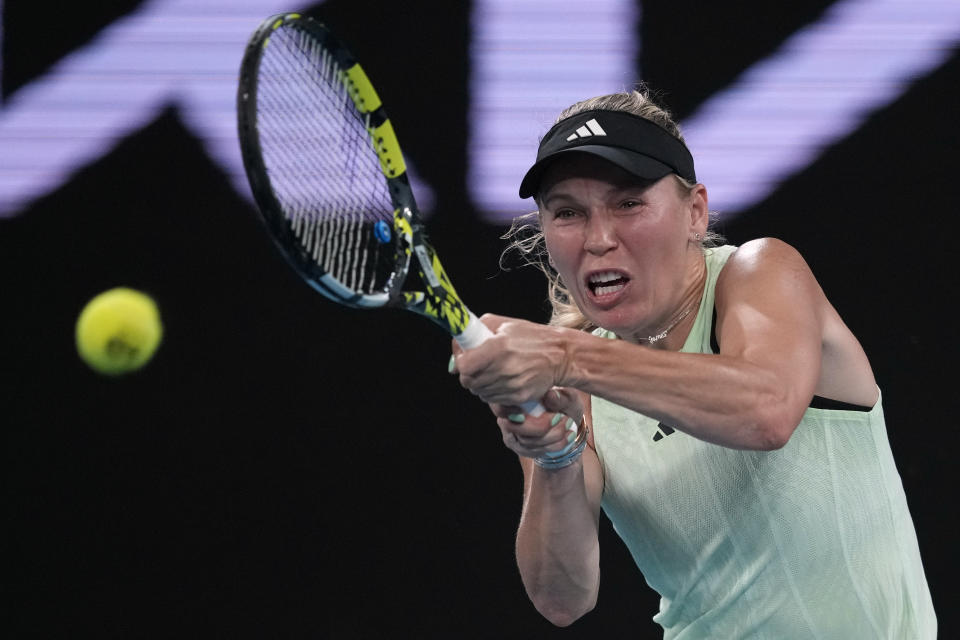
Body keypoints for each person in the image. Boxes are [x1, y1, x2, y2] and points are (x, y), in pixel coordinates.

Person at [450, 88, 936, 638]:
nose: (599, 238)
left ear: (695, 213)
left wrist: (565, 353)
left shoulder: (760, 272)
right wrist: (557, 453)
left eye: (629, 202)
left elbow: (765, 410)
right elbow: (563, 598)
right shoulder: (576, 386)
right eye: (568, 213)